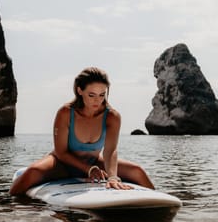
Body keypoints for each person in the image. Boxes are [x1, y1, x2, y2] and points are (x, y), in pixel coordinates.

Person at [9, 67, 154, 195]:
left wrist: (112, 177)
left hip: (95, 163)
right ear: (80, 91)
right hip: (63, 164)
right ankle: (8, 208)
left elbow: (110, 151)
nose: (97, 101)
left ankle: (160, 208)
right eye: (91, 95)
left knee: (138, 171)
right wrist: (88, 169)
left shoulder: (112, 117)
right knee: (32, 172)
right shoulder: (65, 113)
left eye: (102, 95)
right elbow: (61, 152)